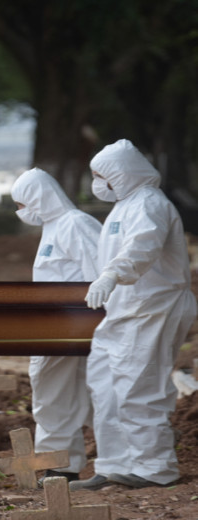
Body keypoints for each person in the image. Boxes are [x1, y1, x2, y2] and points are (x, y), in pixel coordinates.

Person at [72, 139, 197, 490]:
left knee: (139, 388)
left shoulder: (149, 204)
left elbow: (142, 246)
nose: (98, 184)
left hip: (152, 308)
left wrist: (113, 274)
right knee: (105, 385)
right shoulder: (124, 205)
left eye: (101, 176)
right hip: (125, 310)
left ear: (120, 174)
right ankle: (114, 465)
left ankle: (155, 468)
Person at [11, 168, 101, 483]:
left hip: (78, 326)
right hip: (57, 326)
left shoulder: (76, 225)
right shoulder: (54, 228)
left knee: (69, 393)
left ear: (37, 198)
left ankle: (109, 463)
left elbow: (101, 275)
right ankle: (61, 467)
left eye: (22, 203)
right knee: (54, 393)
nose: (20, 212)